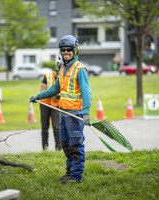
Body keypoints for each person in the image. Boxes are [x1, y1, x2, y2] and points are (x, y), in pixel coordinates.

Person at [30, 35, 92, 184]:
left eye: (69, 50)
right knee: (65, 145)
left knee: (75, 146)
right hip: (63, 114)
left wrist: (86, 113)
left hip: (75, 115)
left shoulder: (80, 69)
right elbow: (55, 89)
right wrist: (38, 96)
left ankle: (76, 177)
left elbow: (87, 93)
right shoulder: (63, 69)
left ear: (75, 50)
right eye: (63, 50)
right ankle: (69, 172)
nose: (66, 52)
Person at [39, 61, 63, 150]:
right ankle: (45, 148)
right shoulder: (47, 76)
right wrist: (53, 95)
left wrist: (57, 96)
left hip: (56, 105)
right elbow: (42, 92)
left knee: (57, 127)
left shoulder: (64, 78)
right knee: (45, 127)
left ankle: (58, 148)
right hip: (45, 104)